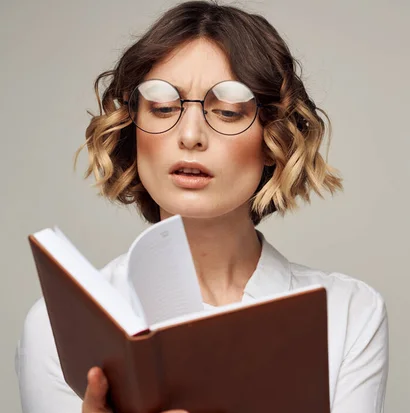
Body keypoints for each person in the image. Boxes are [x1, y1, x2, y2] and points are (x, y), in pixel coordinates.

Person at [15, 2, 389, 412]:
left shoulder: (348, 312)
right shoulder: (59, 330)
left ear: (273, 138)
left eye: (228, 111)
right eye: (162, 106)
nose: (190, 135)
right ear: (131, 127)